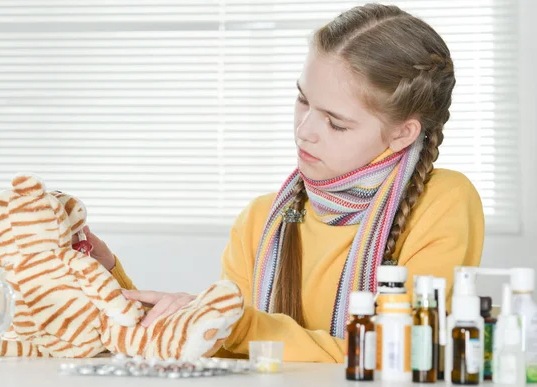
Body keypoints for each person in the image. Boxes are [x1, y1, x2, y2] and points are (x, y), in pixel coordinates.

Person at [85, 3, 485, 363]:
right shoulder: (260, 220)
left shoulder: (444, 202)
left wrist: (235, 322)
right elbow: (218, 348)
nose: (304, 130)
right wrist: (111, 283)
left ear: (402, 134)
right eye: (302, 100)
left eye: (335, 122)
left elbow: (387, 353)